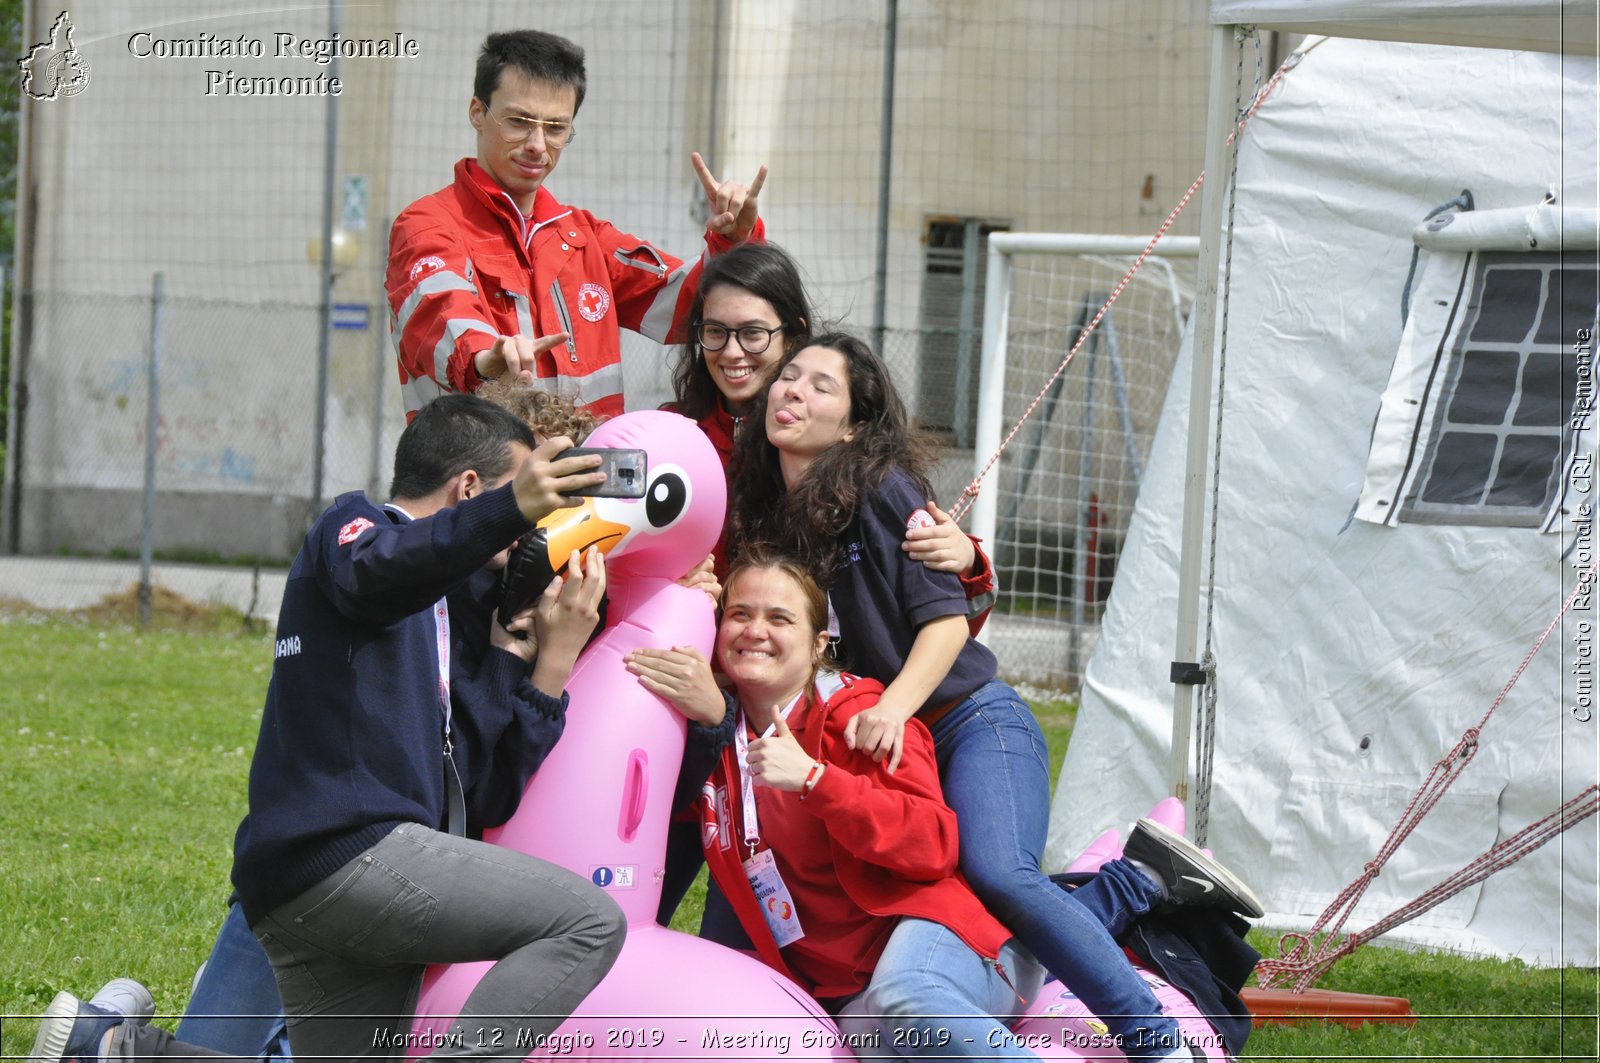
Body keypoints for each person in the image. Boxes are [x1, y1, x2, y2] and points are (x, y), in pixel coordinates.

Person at [33, 394, 626, 1061]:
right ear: (468, 488)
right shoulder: (357, 526)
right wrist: (506, 509)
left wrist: (535, 661)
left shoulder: (448, 604)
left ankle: (111, 1045)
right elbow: (378, 571)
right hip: (347, 852)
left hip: (325, 883)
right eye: (522, 497)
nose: (530, 523)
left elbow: (478, 794)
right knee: (586, 921)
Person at [724, 334, 1264, 1062]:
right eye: (788, 376)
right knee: (959, 899)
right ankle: (1137, 882)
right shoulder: (769, 513)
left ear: (854, 424)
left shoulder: (882, 488)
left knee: (996, 872)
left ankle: (1159, 1041)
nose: (792, 391)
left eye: (822, 385)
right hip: (896, 740)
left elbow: (948, 622)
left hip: (966, 720)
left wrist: (892, 707)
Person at [630, 550, 1255, 1060]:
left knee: (916, 992)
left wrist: (817, 780)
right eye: (739, 614)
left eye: (779, 618)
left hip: (935, 942)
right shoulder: (715, 736)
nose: (755, 630)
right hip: (850, 987)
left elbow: (933, 844)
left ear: (820, 642)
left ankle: (1139, 938)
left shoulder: (860, 715)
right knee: (878, 1044)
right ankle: (1130, 879)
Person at [387, 29, 767, 422]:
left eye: (555, 128)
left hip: (589, 476)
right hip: (481, 477)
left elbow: (689, 309)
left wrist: (733, 243)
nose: (537, 144)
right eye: (518, 121)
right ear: (477, 113)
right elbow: (438, 312)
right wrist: (486, 359)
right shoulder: (427, 226)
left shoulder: (585, 238)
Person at [666, 242, 995, 617]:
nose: (731, 351)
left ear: (793, 335)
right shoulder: (672, 435)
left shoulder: (834, 446)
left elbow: (933, 619)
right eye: (714, 330)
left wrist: (967, 561)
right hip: (702, 651)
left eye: (753, 333)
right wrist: (667, 587)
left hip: (812, 666)